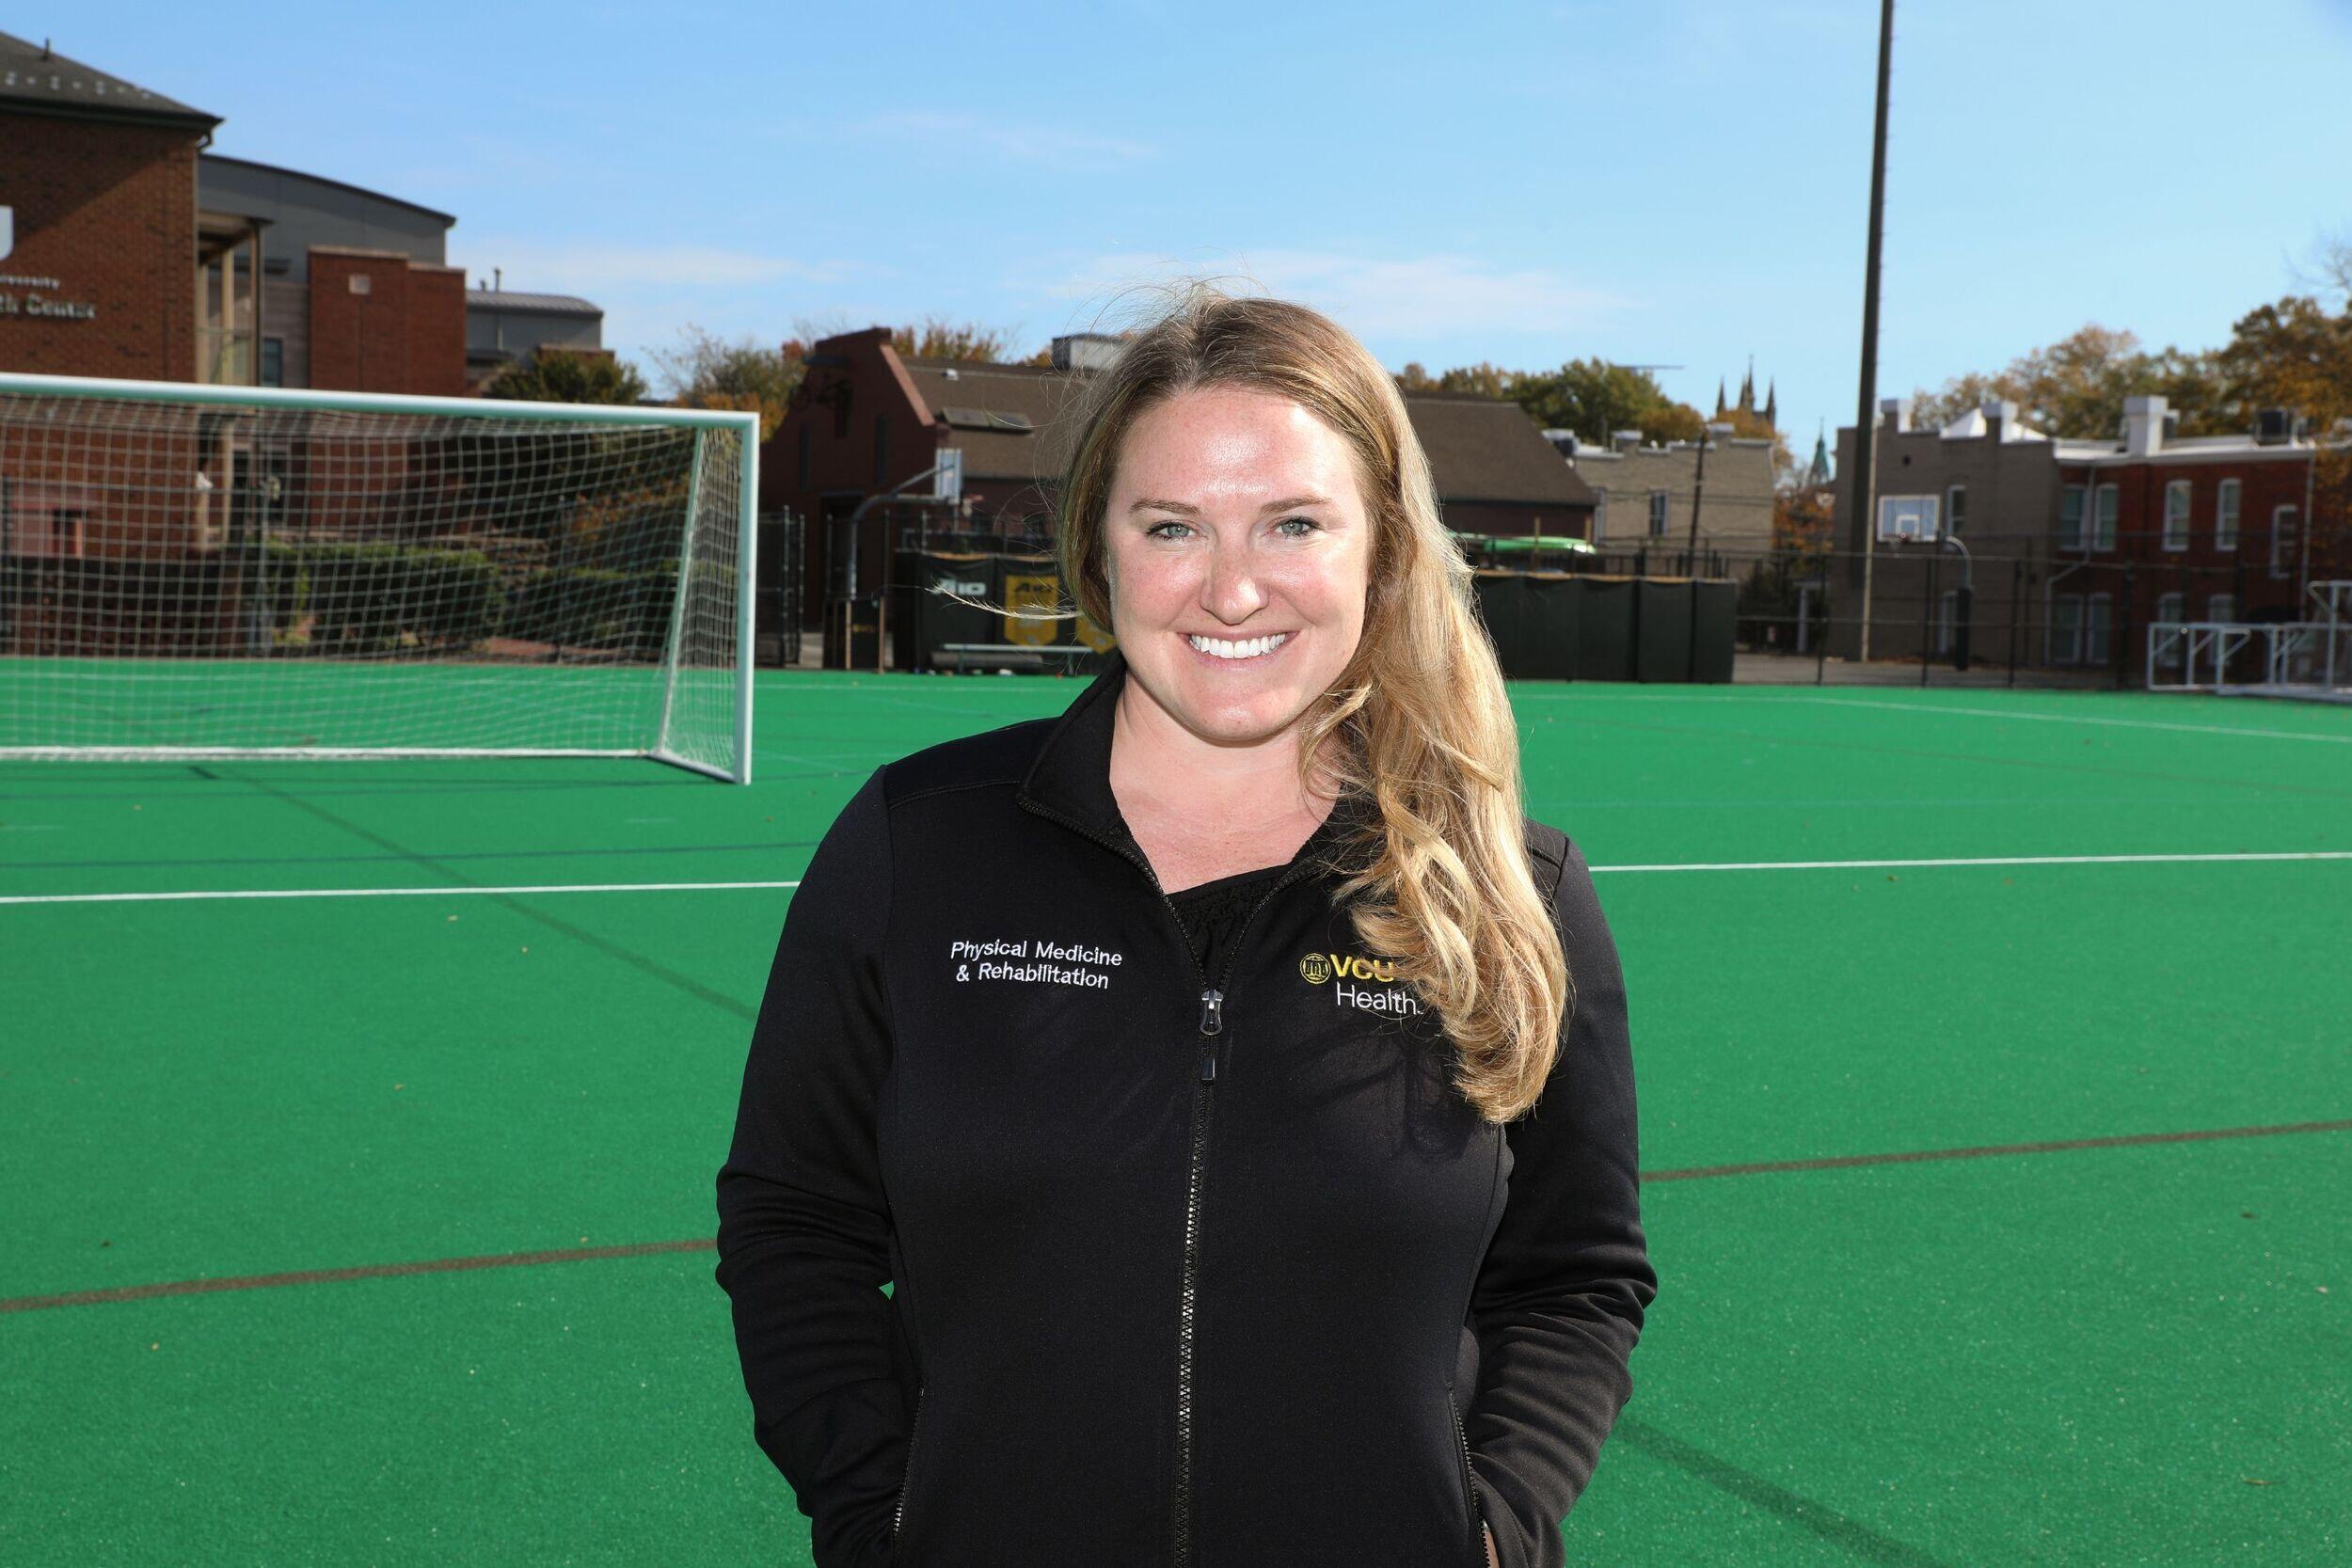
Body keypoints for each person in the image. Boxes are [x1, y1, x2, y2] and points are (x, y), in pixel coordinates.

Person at [715, 285, 1656, 1568]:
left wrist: (1491, 1527)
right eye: (1171, 525)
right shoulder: (921, 844)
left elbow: (1574, 1280)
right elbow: (795, 1222)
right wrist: (878, 1513)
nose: (1229, 589)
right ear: (1097, 548)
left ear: (1379, 550)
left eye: (1293, 523)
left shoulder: (1511, 891)